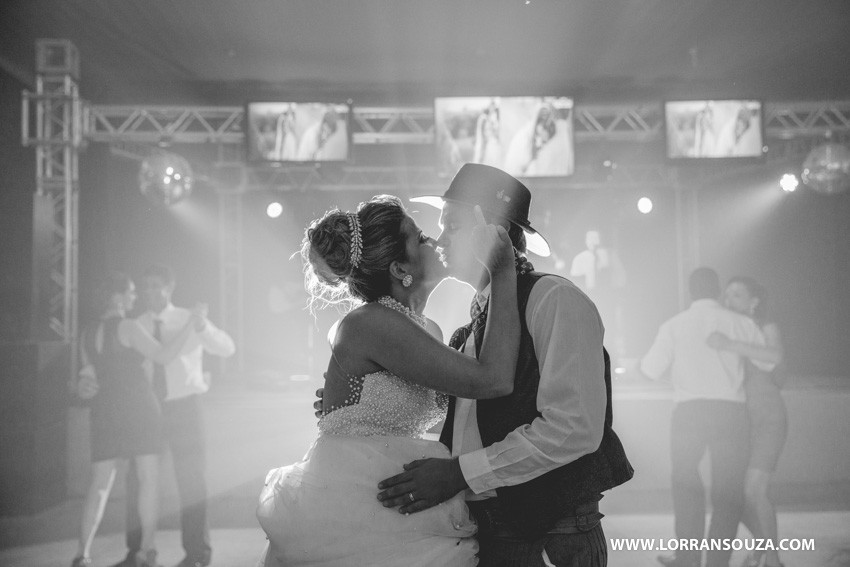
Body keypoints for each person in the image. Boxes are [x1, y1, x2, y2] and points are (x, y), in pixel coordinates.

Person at [378, 163, 634, 567]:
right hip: (490, 530)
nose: (440, 240)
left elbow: (573, 428)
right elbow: (472, 427)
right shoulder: (470, 329)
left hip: (551, 533)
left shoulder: (553, 299)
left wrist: (460, 474)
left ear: (493, 231)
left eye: (454, 225)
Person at [256, 194, 521, 566]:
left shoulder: (427, 328)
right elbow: (491, 380)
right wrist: (503, 270)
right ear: (399, 269)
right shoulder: (371, 323)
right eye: (420, 237)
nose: (433, 242)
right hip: (360, 505)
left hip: (398, 499)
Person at [640, 268, 776, 567]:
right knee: (728, 492)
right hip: (730, 413)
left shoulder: (673, 325)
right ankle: (718, 562)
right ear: (717, 291)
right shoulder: (740, 323)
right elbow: (766, 365)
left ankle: (687, 559)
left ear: (690, 292)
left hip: (689, 412)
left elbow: (649, 370)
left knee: (686, 484)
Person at [71, 272, 200, 567]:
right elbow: (164, 355)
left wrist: (82, 386)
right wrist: (190, 326)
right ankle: (147, 550)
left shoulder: (87, 333)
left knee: (99, 484)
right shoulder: (127, 326)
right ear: (116, 297)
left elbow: (87, 377)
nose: (134, 297)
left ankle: (82, 554)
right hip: (140, 410)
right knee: (148, 479)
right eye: (129, 292)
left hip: (104, 412)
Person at [112, 264, 235, 567]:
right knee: (137, 480)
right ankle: (137, 550)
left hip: (185, 408)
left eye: (157, 286)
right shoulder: (136, 323)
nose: (150, 292)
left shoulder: (188, 319)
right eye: (146, 287)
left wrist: (203, 325)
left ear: (169, 288)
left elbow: (227, 348)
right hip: (148, 409)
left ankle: (196, 554)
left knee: (191, 481)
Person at [707, 277, 787, 567]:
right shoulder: (732, 328)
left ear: (754, 302)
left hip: (767, 417)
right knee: (733, 493)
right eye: (726, 295)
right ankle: (763, 547)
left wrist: (729, 344)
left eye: (737, 295)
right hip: (740, 420)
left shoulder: (765, 327)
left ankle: (773, 559)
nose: (729, 301)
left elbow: (775, 355)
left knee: (754, 490)